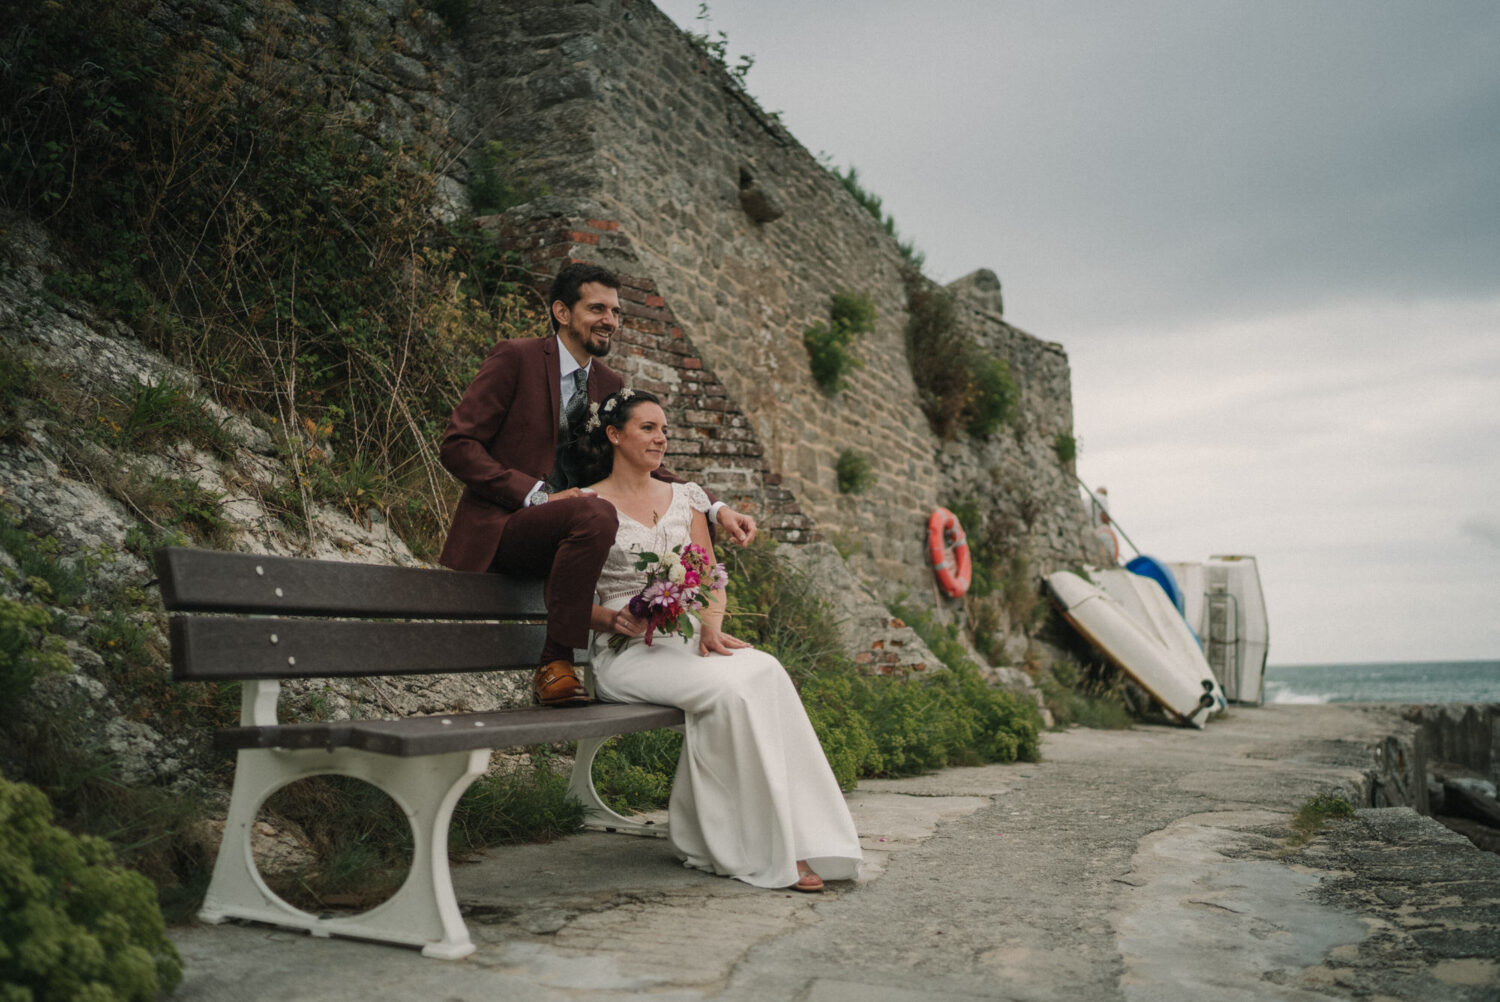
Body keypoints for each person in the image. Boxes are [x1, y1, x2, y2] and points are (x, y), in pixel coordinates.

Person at [576, 388, 862, 893]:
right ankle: (747, 846)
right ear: (615, 435)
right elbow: (563, 596)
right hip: (626, 651)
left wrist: (710, 625)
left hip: (683, 637)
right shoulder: (585, 504)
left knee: (765, 669)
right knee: (729, 692)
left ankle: (805, 836)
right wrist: (606, 619)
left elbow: (706, 575)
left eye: (665, 430)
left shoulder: (687, 498)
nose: (661, 438)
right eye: (648, 428)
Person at [437, 262, 757, 706]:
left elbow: (639, 461)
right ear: (562, 312)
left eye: (616, 311)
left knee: (600, 513)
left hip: (579, 531)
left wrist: (716, 508)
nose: (610, 320)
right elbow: (458, 445)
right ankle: (555, 663)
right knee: (597, 511)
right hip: (508, 526)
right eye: (597, 309)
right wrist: (539, 496)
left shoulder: (609, 384)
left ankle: (666, 656)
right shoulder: (516, 357)